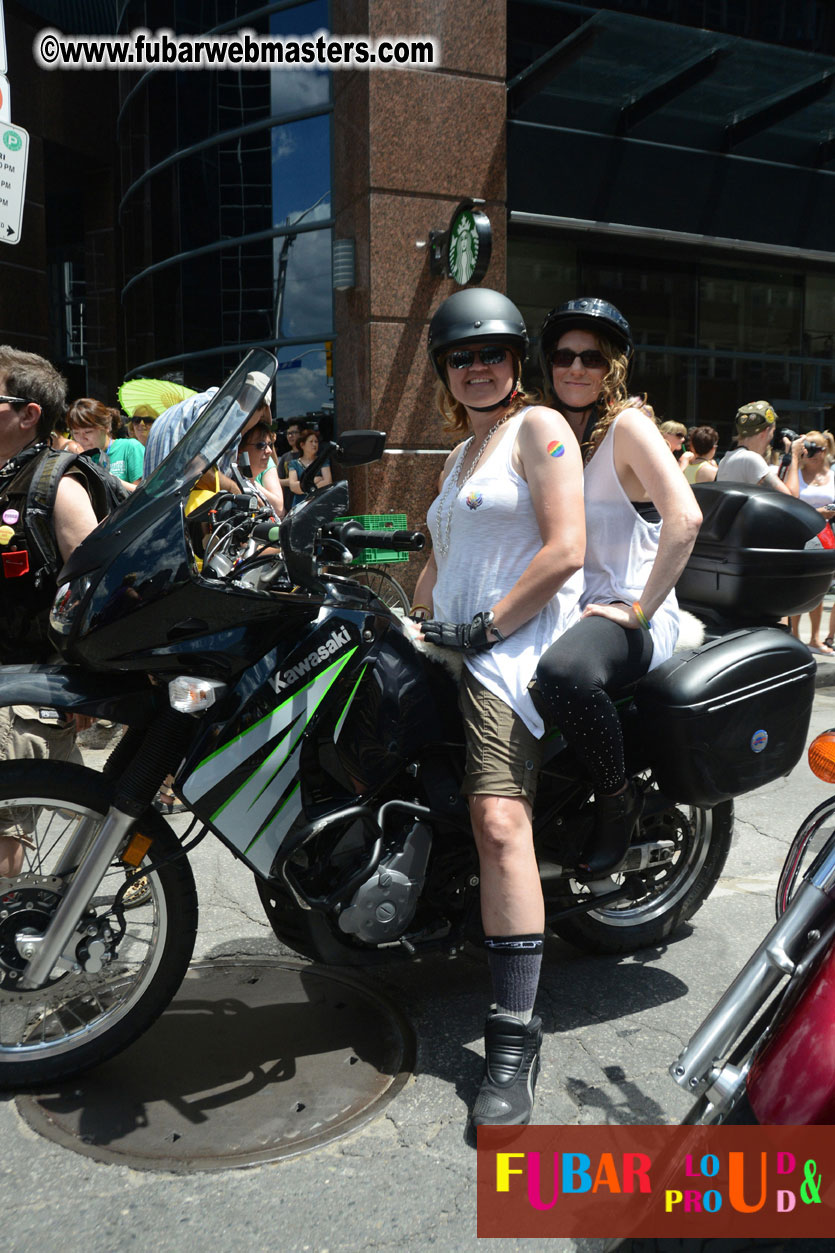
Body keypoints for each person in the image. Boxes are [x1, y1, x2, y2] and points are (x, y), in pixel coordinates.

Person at [412, 288, 585, 1127]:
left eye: (489, 353)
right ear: (446, 372)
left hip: (513, 649)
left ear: (515, 360)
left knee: (498, 821)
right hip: (457, 640)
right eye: (459, 357)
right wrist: (407, 613)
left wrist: (489, 624)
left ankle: (513, 1035)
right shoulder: (459, 456)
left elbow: (565, 547)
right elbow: (438, 563)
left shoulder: (539, 428)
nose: (475, 367)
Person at [532, 297, 702, 881]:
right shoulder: (547, 432)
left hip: (626, 611)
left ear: (613, 367)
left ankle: (616, 798)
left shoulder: (626, 427)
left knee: (563, 676)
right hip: (565, 608)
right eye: (563, 356)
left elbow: (686, 518)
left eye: (592, 358)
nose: (576, 368)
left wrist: (640, 609)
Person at [0, 347, 101, 877]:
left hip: (24, 692)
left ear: (27, 414)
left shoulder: (55, 487)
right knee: (86, 815)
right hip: (14, 688)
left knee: (4, 838)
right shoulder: (4, 477)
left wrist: (87, 680)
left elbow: (95, 589)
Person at [789, 431, 835, 655]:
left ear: (825, 450)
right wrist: (816, 512)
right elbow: (788, 498)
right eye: (806, 449)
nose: (810, 453)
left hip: (827, 535)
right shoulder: (795, 472)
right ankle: (794, 636)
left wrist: (830, 511)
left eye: (814, 448)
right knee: (798, 587)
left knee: (820, 587)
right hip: (800, 534)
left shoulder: (833, 475)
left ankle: (816, 639)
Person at [716, 402, 801, 495]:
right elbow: (790, 498)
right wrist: (794, 455)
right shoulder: (751, 459)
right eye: (772, 432)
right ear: (765, 431)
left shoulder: (725, 460)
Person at [66, 398, 145, 485]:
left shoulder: (130, 447)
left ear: (106, 427)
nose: (81, 439)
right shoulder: (80, 458)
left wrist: (109, 478)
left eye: (88, 432)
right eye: (76, 433)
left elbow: (141, 492)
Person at [237, 421, 284, 520]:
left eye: (269, 445)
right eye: (261, 445)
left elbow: (279, 509)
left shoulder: (251, 485)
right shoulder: (236, 488)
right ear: (240, 450)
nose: (269, 451)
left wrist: (251, 481)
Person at [287, 428, 332, 507]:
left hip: (319, 503)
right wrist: (315, 480)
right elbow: (293, 486)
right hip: (299, 505)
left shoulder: (322, 461)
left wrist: (303, 486)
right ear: (302, 445)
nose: (314, 444)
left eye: (316, 441)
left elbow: (327, 482)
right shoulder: (294, 463)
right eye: (311, 442)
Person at [277, 420, 303, 513]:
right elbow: (277, 481)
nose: (290, 436)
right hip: (289, 504)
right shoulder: (285, 457)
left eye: (294, 433)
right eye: (288, 433)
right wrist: (291, 482)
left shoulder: (307, 454)